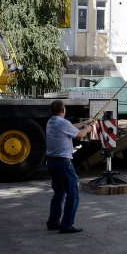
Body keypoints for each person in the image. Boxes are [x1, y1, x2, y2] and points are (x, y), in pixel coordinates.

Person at [46, 100, 92, 233]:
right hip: (64, 164)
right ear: (63, 110)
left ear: (51, 111)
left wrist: (84, 123)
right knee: (73, 194)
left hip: (52, 163)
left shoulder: (51, 122)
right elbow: (80, 135)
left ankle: (53, 222)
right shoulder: (63, 123)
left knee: (58, 194)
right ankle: (66, 225)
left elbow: (71, 126)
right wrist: (89, 127)